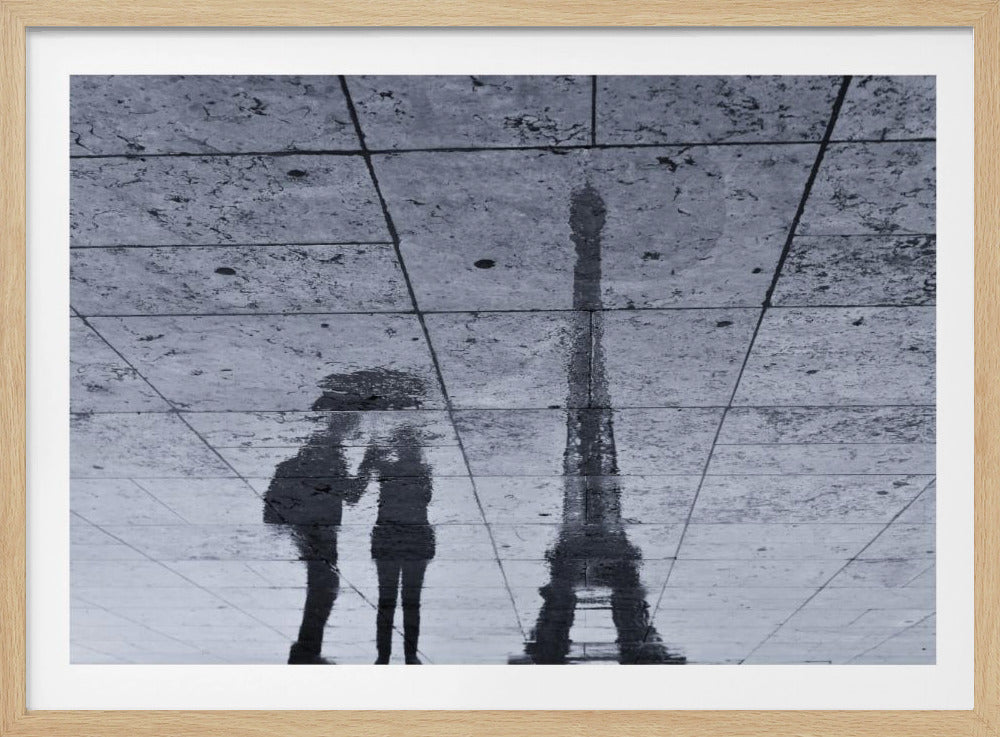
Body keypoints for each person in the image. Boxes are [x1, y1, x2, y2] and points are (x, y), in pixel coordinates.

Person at [264, 369, 425, 664]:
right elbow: (349, 493)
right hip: (315, 521)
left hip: (316, 521)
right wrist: (367, 462)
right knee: (325, 585)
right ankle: (306, 652)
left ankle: (307, 653)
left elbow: (350, 493)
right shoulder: (319, 457)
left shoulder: (322, 457)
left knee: (324, 585)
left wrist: (368, 461)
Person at [355, 425, 435, 665]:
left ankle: (383, 656)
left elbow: (366, 474)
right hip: (416, 540)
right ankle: (410, 655)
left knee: (386, 599)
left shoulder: (387, 469)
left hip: (388, 538)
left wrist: (372, 452)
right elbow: (426, 498)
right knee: (412, 600)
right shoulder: (423, 471)